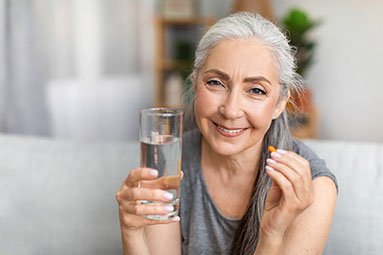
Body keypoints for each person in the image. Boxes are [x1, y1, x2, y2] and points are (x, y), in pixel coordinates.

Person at [116, 12, 338, 255]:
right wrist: (131, 231)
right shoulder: (169, 160)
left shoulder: (314, 189)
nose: (231, 111)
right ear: (195, 84)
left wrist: (271, 234)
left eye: (256, 90)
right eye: (215, 83)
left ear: (279, 104)